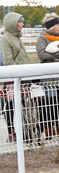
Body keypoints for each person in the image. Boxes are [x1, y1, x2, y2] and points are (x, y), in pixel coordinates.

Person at [1, 12, 29, 142]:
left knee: (23, 105)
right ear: (13, 23)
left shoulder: (16, 37)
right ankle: (12, 131)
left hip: (23, 77)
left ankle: (25, 130)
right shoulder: (6, 39)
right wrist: (19, 74)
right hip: (14, 79)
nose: (22, 24)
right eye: (20, 22)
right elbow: (8, 60)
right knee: (12, 106)